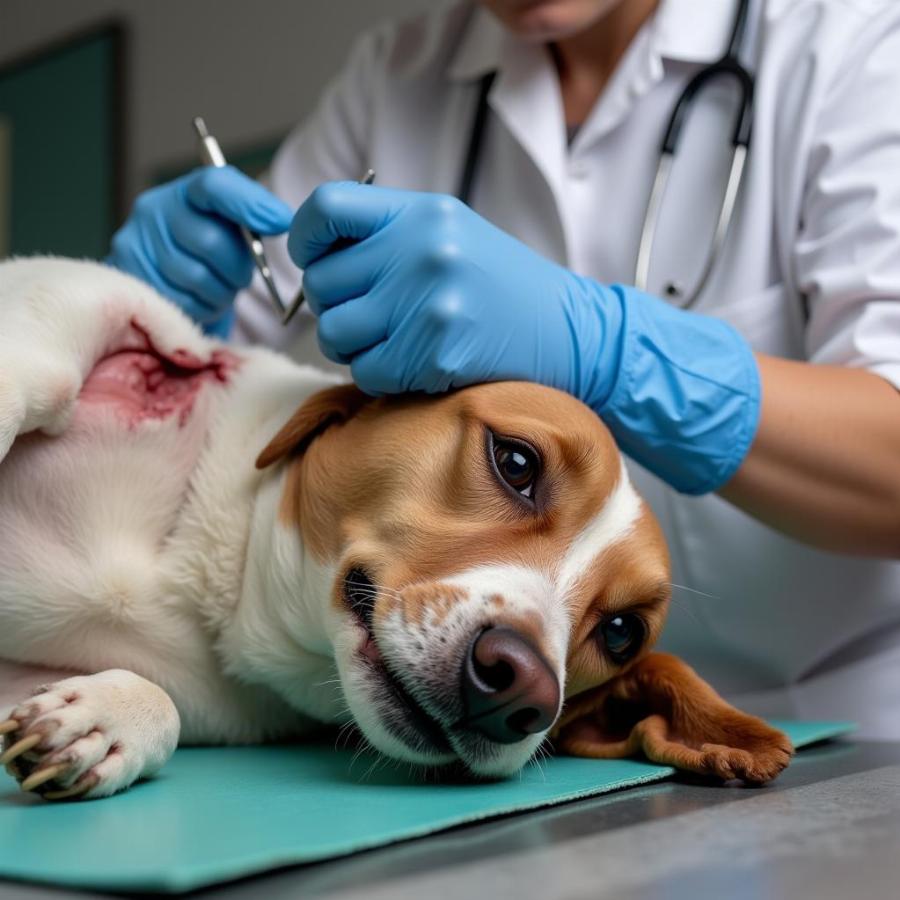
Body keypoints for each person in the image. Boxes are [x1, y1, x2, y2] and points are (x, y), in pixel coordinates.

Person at [107, 0, 900, 737]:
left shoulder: (849, 42)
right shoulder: (401, 74)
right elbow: (241, 388)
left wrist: (608, 349)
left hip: (835, 731)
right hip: (487, 741)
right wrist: (156, 317)